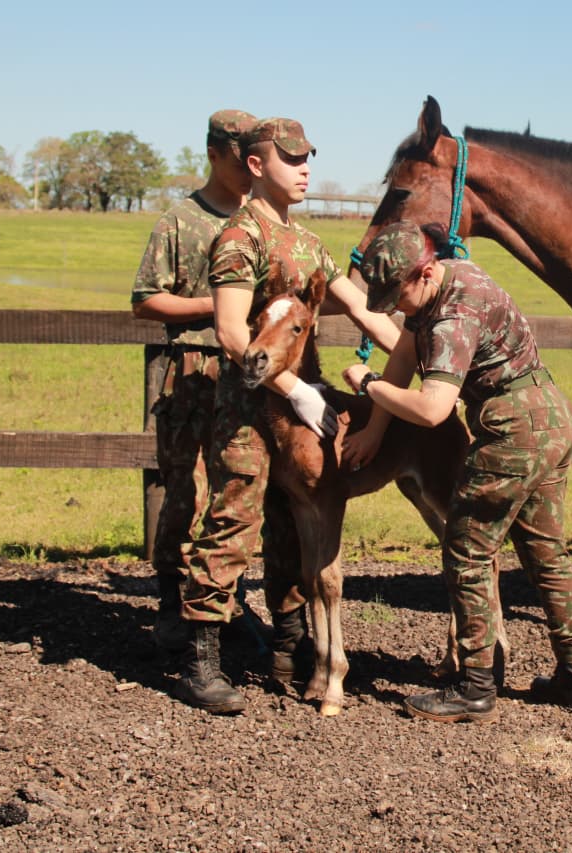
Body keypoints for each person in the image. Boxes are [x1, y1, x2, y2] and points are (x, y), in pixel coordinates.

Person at [175, 116, 401, 714]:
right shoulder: (238, 237)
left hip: (301, 409)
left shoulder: (307, 242)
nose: (305, 171)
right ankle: (201, 660)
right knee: (233, 524)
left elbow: (362, 310)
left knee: (290, 535)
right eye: (292, 160)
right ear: (256, 165)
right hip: (249, 412)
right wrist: (294, 387)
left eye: (308, 160)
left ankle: (289, 649)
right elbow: (228, 330)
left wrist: (418, 354)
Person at [342, 220, 572, 723]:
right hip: (552, 417)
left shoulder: (452, 319)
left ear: (424, 272)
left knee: (466, 549)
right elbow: (404, 350)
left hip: (513, 432)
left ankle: (475, 686)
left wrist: (369, 385)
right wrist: (374, 432)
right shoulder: (454, 277)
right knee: (546, 553)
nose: (396, 306)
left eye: (399, 294)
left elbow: (432, 409)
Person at [131, 110, 256, 653]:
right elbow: (145, 299)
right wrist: (216, 306)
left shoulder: (259, 222)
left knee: (240, 491)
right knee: (186, 489)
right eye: (238, 157)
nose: (249, 168)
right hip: (191, 371)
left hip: (246, 377)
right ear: (214, 153)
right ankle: (172, 606)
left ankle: (229, 600)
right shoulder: (181, 220)